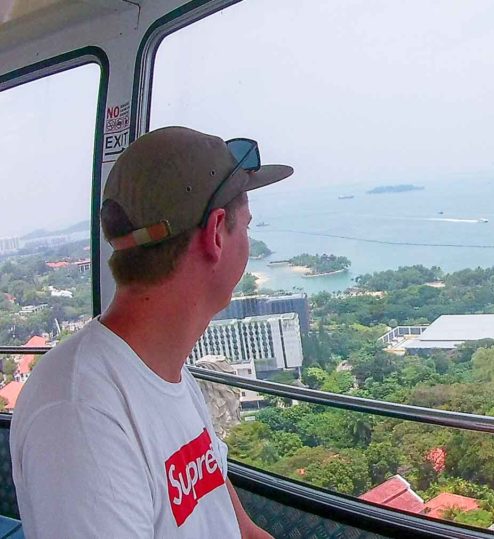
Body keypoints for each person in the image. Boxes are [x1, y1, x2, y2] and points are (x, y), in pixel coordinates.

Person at [10, 126, 293, 538]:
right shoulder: (80, 416)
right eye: (246, 226)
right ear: (216, 233)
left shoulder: (170, 372)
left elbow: (228, 516)